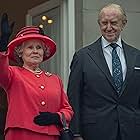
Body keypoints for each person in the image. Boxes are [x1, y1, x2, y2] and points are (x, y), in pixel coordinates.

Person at [67, 3, 140, 140]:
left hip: (132, 131)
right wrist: (75, 133)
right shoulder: (83, 57)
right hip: (95, 132)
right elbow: (74, 97)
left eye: (113, 23)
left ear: (123, 24)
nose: (108, 28)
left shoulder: (137, 56)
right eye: (104, 23)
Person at [0, 13, 73, 140]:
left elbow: (68, 110)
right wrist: (2, 46)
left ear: (44, 52)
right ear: (20, 52)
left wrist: (57, 117)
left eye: (39, 47)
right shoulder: (13, 74)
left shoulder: (55, 80)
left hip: (51, 136)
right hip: (21, 135)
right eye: (30, 47)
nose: (35, 51)